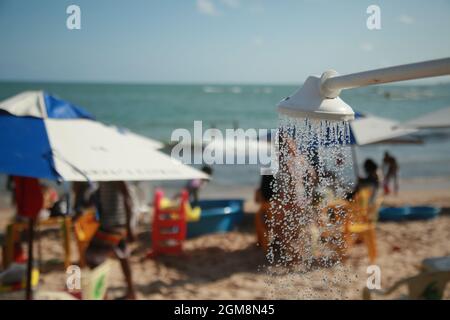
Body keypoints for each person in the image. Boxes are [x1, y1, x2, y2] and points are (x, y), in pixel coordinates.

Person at [85, 181, 136, 300]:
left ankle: (103, 295)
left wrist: (130, 227)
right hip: (115, 223)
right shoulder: (104, 175)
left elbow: (128, 198)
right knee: (123, 256)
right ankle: (131, 292)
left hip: (112, 224)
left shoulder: (116, 175)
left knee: (92, 256)